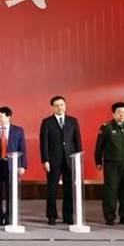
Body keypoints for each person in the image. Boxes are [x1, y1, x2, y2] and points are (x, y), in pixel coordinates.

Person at [94, 102, 124, 226]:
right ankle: (109, 216)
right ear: (114, 114)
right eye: (119, 112)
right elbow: (99, 146)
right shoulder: (107, 127)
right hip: (111, 165)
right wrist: (98, 161)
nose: (121, 115)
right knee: (111, 191)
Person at [39, 95, 82, 225]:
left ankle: (68, 216)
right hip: (53, 160)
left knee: (69, 188)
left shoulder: (73, 121)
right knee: (52, 189)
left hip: (70, 159)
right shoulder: (47, 122)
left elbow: (77, 142)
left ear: (65, 105)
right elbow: (44, 143)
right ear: (52, 108)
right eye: (57, 105)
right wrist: (45, 160)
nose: (60, 107)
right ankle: (51, 216)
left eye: (62, 105)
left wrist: (78, 159)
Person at [0, 106, 27, 226]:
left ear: (9, 117)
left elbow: (22, 148)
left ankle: (9, 217)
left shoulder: (18, 130)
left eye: (1, 116)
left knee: (10, 193)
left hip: (11, 165)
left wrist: (22, 165)